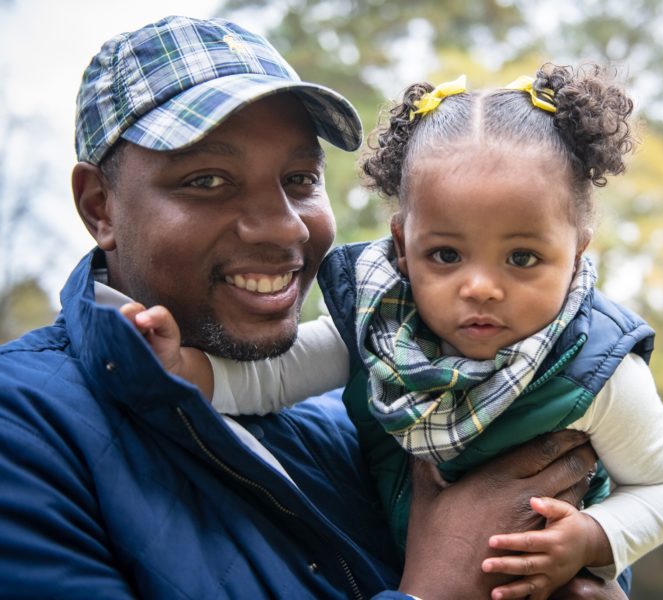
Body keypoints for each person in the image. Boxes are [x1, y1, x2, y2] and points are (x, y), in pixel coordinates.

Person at [0, 15, 617, 599]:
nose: (281, 227)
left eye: (299, 179)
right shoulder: (25, 429)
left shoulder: (367, 404)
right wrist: (437, 586)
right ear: (99, 206)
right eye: (207, 180)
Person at [124, 64, 663, 599]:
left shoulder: (596, 368)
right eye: (446, 254)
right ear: (402, 249)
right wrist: (183, 370)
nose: (480, 287)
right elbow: (274, 378)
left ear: (575, 254)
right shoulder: (380, 332)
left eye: (522, 258)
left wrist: (593, 536)